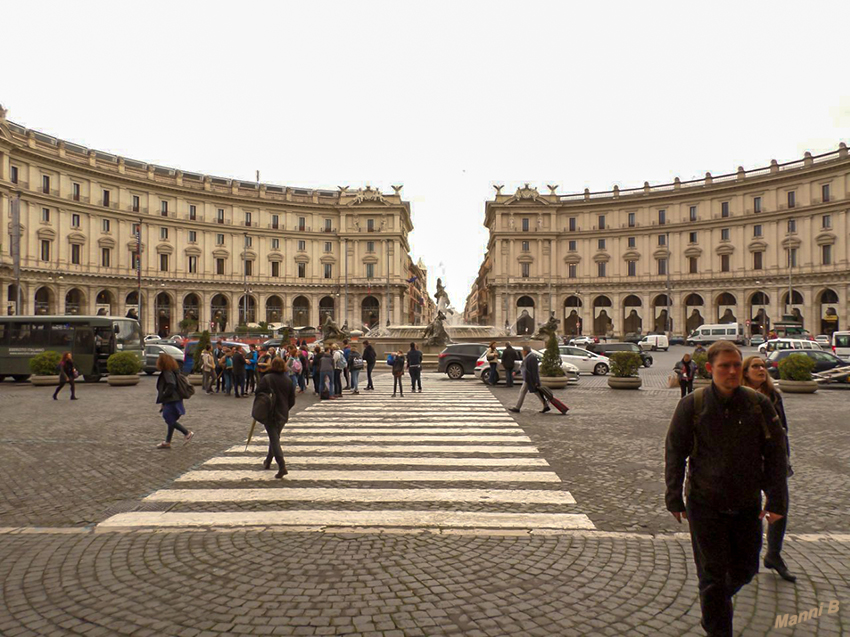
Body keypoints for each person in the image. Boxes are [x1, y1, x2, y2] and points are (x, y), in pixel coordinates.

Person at [665, 341, 788, 637]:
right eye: (724, 366)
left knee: (746, 569)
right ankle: (718, 624)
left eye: (736, 365)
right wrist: (673, 497)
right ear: (710, 369)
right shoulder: (692, 405)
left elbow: (775, 455)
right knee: (712, 576)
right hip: (704, 503)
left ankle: (714, 603)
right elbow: (675, 451)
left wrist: (777, 500)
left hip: (746, 503)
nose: (732, 371)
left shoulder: (759, 404)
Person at [742, 354, 796, 583]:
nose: (761, 369)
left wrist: (784, 457)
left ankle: (773, 554)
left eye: (763, 366)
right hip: (749, 460)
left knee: (779, 506)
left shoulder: (774, 396)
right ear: (746, 372)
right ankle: (747, 557)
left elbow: (783, 428)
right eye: (755, 366)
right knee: (748, 508)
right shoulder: (739, 396)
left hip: (774, 459)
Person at [254, 357, 296, 479]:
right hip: (282, 414)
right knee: (275, 437)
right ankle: (268, 461)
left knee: (274, 439)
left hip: (270, 413)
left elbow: (258, 393)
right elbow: (292, 400)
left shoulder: (267, 378)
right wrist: (285, 409)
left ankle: (282, 465)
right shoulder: (288, 380)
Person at [155, 353, 193, 449]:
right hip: (175, 398)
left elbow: (171, 384)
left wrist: (164, 395)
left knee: (168, 418)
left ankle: (187, 433)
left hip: (171, 398)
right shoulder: (174, 371)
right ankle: (167, 441)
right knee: (171, 419)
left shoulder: (167, 372)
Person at [509, 346, 550, 413]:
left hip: (530, 379)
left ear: (525, 351)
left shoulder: (532, 357)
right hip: (528, 379)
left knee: (530, 392)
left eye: (523, 351)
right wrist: (516, 372)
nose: (522, 352)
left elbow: (534, 370)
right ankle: (545, 406)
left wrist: (536, 381)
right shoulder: (528, 357)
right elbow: (523, 367)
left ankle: (517, 408)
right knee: (535, 392)